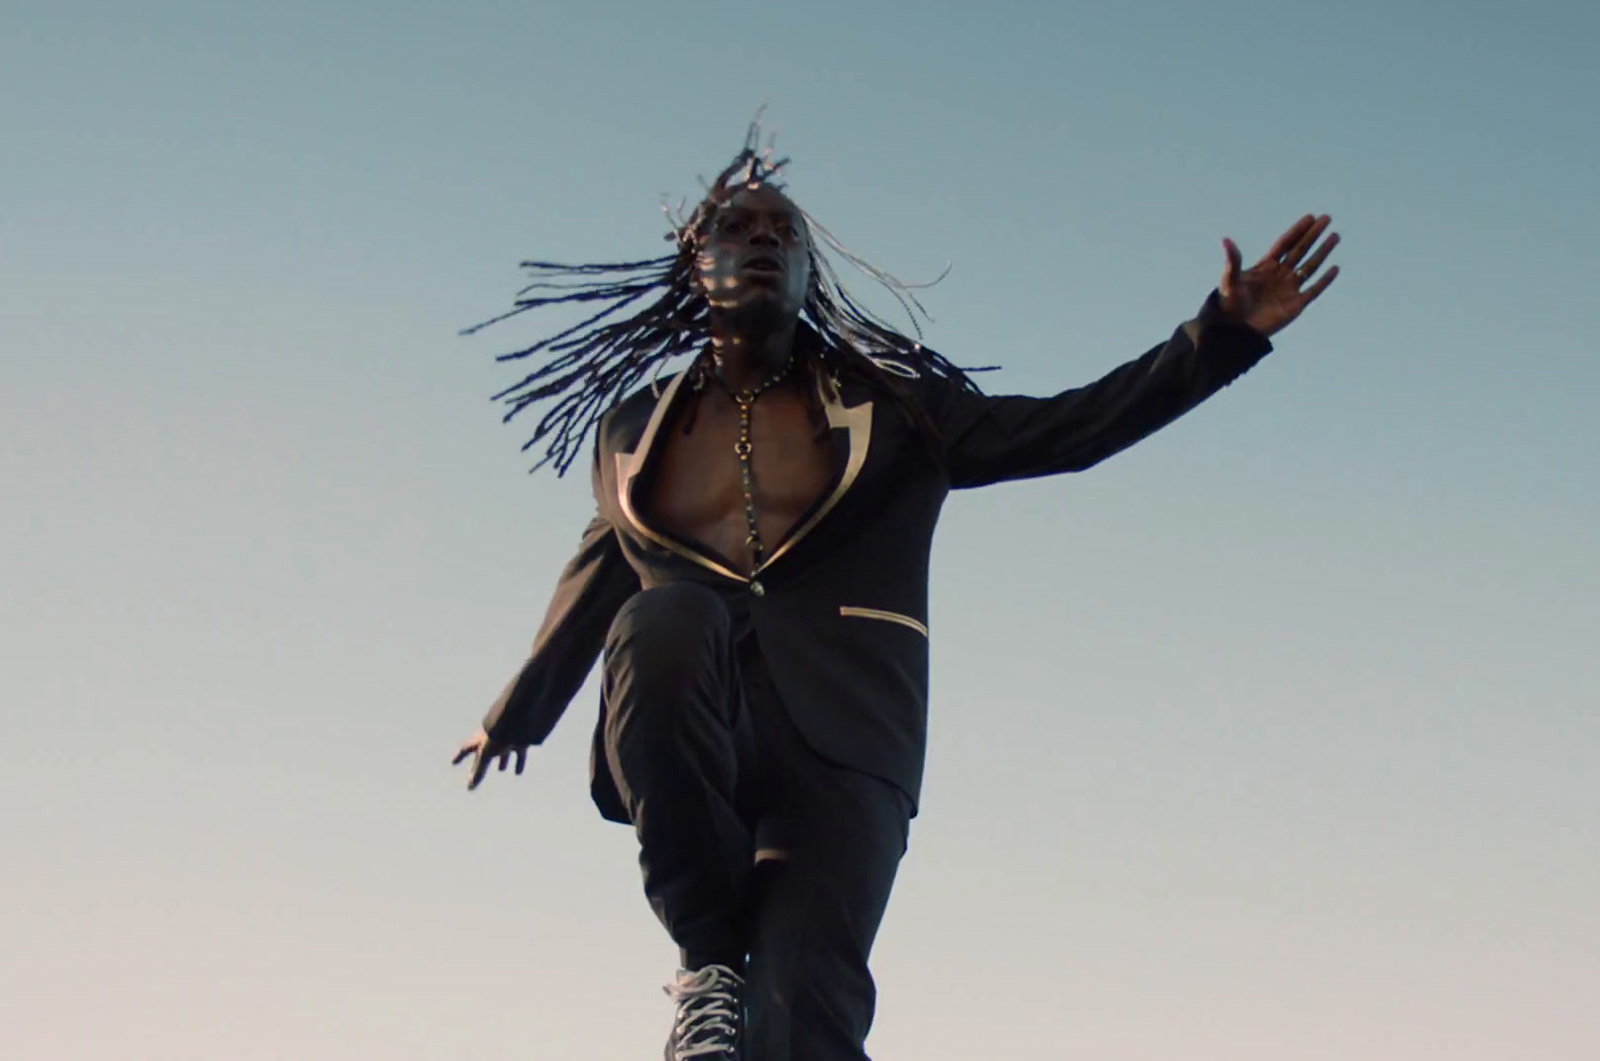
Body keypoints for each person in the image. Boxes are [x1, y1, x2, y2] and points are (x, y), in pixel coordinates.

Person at [451, 129, 1339, 1061]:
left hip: (844, 742)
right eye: (736, 227)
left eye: (784, 234)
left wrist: (1220, 339)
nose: (762, 240)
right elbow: (606, 564)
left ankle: (756, 1006)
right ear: (693, 261)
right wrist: (519, 709)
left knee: (799, 1023)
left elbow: (1068, 427)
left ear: (809, 271)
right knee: (659, 616)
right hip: (696, 737)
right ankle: (708, 963)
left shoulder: (896, 408)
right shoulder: (632, 430)